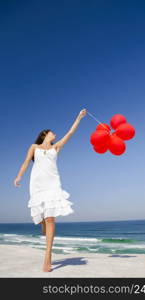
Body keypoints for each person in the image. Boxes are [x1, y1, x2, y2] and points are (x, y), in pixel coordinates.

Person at [13, 108, 87, 272]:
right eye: (52, 133)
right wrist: (19, 177)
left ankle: (47, 259)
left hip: (52, 184)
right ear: (45, 135)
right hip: (37, 185)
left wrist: (79, 118)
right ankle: (42, 226)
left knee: (50, 219)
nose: (54, 135)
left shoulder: (57, 148)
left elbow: (70, 133)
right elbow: (26, 162)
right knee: (41, 219)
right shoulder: (34, 147)